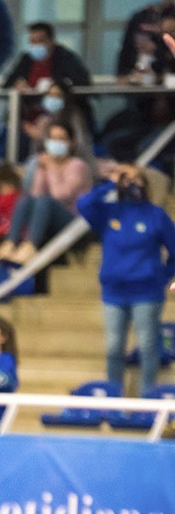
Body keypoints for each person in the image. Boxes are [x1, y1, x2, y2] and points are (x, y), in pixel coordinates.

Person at [77, 165, 175, 397]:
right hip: (114, 292)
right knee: (113, 348)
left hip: (146, 292)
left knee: (148, 346)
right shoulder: (109, 212)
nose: (132, 183)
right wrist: (111, 183)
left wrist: (161, 276)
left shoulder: (156, 214)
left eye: (136, 178)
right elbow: (84, 205)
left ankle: (147, 398)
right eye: (127, 179)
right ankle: (114, 396)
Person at [0, 121, 93, 265]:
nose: (56, 143)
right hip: (47, 216)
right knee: (25, 198)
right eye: (53, 139)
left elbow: (60, 196)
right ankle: (11, 242)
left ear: (71, 142)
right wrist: (41, 170)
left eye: (61, 139)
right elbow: (35, 194)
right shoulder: (45, 163)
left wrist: (51, 168)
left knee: (44, 201)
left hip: (73, 221)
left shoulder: (78, 166)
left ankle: (31, 245)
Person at [117, 0, 175, 81]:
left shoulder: (172, 16)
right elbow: (126, 48)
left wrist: (156, 49)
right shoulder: (138, 18)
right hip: (140, 77)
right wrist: (122, 73)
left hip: (169, 78)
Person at [4, 22, 92, 92]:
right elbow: (7, 83)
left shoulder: (66, 58)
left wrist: (56, 84)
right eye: (32, 41)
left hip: (63, 108)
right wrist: (17, 84)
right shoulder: (26, 59)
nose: (36, 45)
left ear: (51, 41)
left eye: (40, 41)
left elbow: (83, 82)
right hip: (29, 108)